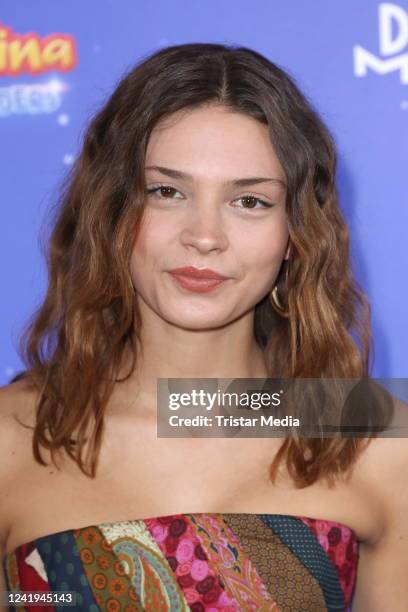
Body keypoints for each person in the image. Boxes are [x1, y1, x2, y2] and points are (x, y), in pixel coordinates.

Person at [0, 42, 407, 612]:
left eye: (249, 201)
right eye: (167, 192)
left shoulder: (374, 441)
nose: (205, 236)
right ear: (112, 210)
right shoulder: (11, 438)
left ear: (296, 235)